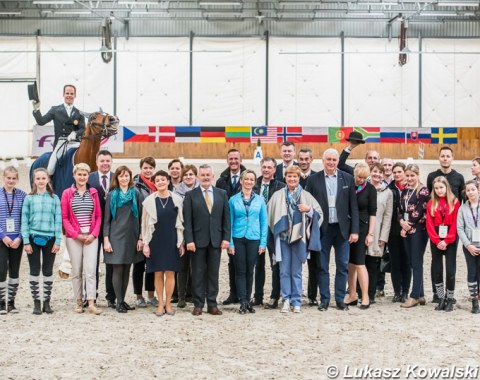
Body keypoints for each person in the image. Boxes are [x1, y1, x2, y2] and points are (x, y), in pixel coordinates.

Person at [306, 148, 359, 311]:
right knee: (322, 266)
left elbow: (353, 207)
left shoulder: (347, 179)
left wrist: (355, 230)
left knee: (342, 265)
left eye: (334, 160)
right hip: (323, 229)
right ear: (323, 161)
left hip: (342, 229)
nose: (331, 162)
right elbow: (308, 204)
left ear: (337, 161)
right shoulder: (313, 180)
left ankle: (340, 300)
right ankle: (325, 299)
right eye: (328, 159)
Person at [268, 166, 322, 313]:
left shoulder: (306, 196)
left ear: (299, 178)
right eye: (289, 176)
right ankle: (286, 299)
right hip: (283, 238)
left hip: (299, 238)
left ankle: (296, 300)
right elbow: (269, 215)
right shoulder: (278, 195)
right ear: (285, 177)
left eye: (295, 177)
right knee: (284, 270)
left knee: (296, 272)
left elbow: (319, 214)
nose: (292, 179)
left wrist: (308, 210)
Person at [183, 164, 230, 316]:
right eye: (202, 175)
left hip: (216, 240)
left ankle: (212, 304)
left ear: (212, 176)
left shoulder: (221, 194)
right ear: (198, 177)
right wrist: (189, 240)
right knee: (197, 273)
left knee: (213, 273)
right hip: (197, 241)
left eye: (208, 175)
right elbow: (187, 221)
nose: (205, 177)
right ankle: (198, 304)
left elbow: (226, 219)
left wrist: (226, 238)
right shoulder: (191, 195)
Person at [142, 170, 185, 317]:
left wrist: (181, 243)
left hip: (172, 239)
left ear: (168, 181)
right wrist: (145, 243)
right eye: (157, 180)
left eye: (163, 179)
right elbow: (144, 225)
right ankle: (160, 303)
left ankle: (168, 304)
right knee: (158, 273)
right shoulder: (148, 201)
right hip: (155, 240)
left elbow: (181, 223)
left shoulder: (177, 200)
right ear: (154, 183)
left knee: (171, 273)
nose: (160, 182)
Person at [61, 163, 102, 315]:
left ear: (88, 176)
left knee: (91, 270)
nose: (82, 177)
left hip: (91, 237)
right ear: (74, 175)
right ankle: (79, 301)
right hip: (74, 238)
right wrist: (75, 234)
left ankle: (91, 302)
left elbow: (98, 215)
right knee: (77, 270)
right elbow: (64, 218)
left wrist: (93, 234)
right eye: (79, 174)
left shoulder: (93, 192)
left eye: (85, 174)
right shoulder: (67, 193)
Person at [426, 146, 465, 303]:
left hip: (451, 231)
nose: (445, 158)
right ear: (439, 158)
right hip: (436, 232)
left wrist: (449, 237)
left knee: (450, 266)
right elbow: (431, 199)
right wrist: (436, 239)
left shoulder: (459, 177)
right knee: (436, 265)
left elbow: (463, 200)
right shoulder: (432, 176)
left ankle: (449, 296)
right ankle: (438, 294)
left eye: (448, 156)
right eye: (442, 156)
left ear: (452, 158)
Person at [21, 168, 62, 315]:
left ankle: (47, 301)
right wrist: (26, 241)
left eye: (43, 178)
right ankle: (36, 302)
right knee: (34, 269)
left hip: (50, 238)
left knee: (47, 270)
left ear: (47, 180)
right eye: (37, 178)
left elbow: (58, 221)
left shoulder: (55, 199)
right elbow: (24, 221)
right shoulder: (29, 199)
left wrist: (58, 241)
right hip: (33, 238)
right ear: (34, 181)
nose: (40, 181)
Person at [103, 166, 143, 313]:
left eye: (127, 176)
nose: (124, 178)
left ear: (130, 177)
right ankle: (118, 301)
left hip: (131, 236)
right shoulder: (112, 195)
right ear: (117, 178)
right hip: (115, 236)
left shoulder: (136, 194)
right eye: (121, 176)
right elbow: (106, 220)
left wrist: (140, 237)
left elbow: (141, 218)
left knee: (127, 269)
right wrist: (106, 240)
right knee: (117, 268)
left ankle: (122, 300)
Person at [228, 169, 268, 314]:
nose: (249, 182)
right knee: (240, 270)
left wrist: (263, 243)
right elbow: (229, 223)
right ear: (241, 181)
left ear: (254, 182)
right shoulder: (233, 200)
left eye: (252, 179)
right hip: (238, 238)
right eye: (246, 179)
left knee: (250, 270)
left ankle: (248, 299)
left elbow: (264, 222)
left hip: (254, 238)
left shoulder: (260, 200)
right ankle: (243, 300)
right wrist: (230, 242)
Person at [252, 157, 285, 309]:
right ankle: (257, 296)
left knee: (275, 264)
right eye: (264, 167)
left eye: (269, 167)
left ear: (274, 169)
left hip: (273, 230)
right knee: (258, 265)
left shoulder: (280, 186)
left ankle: (274, 296)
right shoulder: (253, 184)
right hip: (256, 230)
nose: (266, 169)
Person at [32, 84, 85, 176]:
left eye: (71, 93)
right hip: (61, 143)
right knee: (50, 168)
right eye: (67, 93)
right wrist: (36, 109)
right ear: (63, 94)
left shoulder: (79, 113)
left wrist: (75, 133)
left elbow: (83, 129)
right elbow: (41, 121)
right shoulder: (55, 110)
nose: (69, 95)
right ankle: (49, 186)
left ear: (75, 96)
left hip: (75, 143)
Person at [216, 149, 246, 306]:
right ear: (227, 160)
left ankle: (245, 295)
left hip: (244, 226)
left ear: (241, 160)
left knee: (246, 263)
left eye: (236, 158)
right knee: (232, 261)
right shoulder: (222, 180)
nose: (233, 161)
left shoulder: (247, 177)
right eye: (231, 159)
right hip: (228, 226)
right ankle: (233, 293)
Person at [344, 163, 376, 309]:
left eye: (365, 178)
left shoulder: (370, 189)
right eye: (359, 177)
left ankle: (365, 296)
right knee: (350, 263)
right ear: (354, 174)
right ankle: (352, 294)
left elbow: (373, 213)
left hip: (362, 228)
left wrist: (370, 234)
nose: (362, 180)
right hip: (348, 226)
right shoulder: (348, 184)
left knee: (360, 263)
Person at [426, 176, 460, 312]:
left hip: (450, 239)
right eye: (436, 188)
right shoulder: (431, 203)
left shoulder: (455, 202)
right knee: (437, 270)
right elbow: (429, 224)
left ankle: (449, 299)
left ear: (447, 187)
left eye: (441, 187)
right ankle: (440, 298)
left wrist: (446, 240)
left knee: (450, 270)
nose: (439, 191)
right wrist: (436, 240)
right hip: (436, 239)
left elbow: (456, 223)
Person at [398, 164, 430, 308]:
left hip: (419, 230)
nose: (410, 178)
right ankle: (421, 294)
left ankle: (414, 295)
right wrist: (401, 222)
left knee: (416, 262)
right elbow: (399, 208)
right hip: (406, 228)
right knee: (412, 262)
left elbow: (419, 211)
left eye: (413, 175)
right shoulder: (405, 189)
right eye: (408, 175)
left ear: (417, 175)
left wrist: (408, 225)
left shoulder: (422, 191)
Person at [87, 150, 115, 308]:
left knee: (111, 262)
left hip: (112, 228)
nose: (105, 163)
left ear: (112, 162)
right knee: (92, 264)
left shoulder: (117, 177)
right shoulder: (89, 178)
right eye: (102, 161)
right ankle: (91, 295)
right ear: (97, 162)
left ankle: (111, 296)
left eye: (108, 161)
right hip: (93, 228)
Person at [0, 166, 26, 314]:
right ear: (4, 178)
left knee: (14, 270)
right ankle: (1, 301)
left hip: (17, 238)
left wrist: (20, 237)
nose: (11, 180)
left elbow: (25, 218)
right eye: (8, 178)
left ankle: (11, 301)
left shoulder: (22, 195)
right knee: (2, 269)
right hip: (2, 238)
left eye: (13, 178)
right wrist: (3, 235)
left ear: (17, 179)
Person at [132, 157, 157, 308]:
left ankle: (151, 295)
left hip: (153, 231)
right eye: (145, 168)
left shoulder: (157, 184)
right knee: (139, 264)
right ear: (141, 168)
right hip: (139, 230)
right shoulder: (135, 186)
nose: (148, 171)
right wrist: (139, 236)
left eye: (150, 168)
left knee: (152, 264)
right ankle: (138, 295)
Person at [366, 163, 393, 304]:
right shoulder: (362, 187)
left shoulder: (387, 192)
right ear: (370, 172)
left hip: (377, 231)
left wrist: (384, 237)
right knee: (360, 263)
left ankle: (371, 294)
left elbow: (388, 217)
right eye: (375, 171)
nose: (377, 174)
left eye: (380, 172)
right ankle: (359, 291)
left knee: (373, 264)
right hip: (363, 230)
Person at [173, 164, 199, 308]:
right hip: (182, 231)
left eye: (191, 174)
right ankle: (181, 296)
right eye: (186, 175)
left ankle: (194, 294)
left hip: (198, 231)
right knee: (182, 266)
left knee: (196, 266)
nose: (188, 177)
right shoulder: (176, 192)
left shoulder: (202, 190)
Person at [297, 148, 319, 306]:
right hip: (295, 226)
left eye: (306, 159)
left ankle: (312, 294)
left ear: (311, 160)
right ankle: (294, 293)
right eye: (301, 159)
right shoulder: (292, 176)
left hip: (312, 225)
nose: (303, 162)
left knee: (315, 263)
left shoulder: (317, 177)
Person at [388, 162, 410, 303]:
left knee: (406, 263)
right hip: (393, 230)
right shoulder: (389, 188)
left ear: (404, 172)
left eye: (399, 172)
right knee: (395, 262)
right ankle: (397, 291)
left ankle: (405, 291)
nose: (396, 174)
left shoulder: (411, 188)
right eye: (394, 172)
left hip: (408, 230)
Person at [457, 180, 480, 314]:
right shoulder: (463, 209)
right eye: (468, 190)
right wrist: (468, 245)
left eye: (473, 189)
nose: (470, 192)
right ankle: (474, 301)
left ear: (478, 190)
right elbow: (460, 229)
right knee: (472, 272)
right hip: (469, 247)